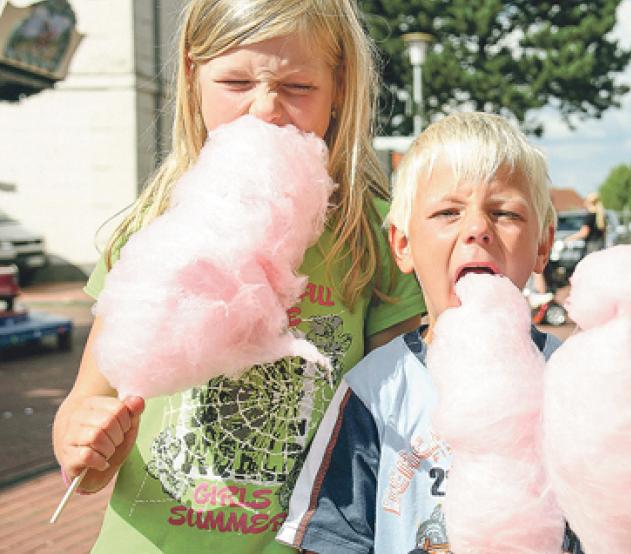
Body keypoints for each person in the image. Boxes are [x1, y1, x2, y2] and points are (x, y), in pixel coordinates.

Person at [51, 1, 425, 551]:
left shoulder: (373, 238)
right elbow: (88, 397)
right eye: (235, 81)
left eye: (297, 87)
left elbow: (397, 420)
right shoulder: (155, 225)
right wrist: (83, 441)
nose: (265, 109)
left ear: (340, 87)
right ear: (191, 76)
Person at [276, 112, 572, 552]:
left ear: (543, 246)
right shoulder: (376, 391)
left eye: (505, 212)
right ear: (402, 245)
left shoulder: (573, 380)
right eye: (448, 212)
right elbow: (335, 538)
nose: (477, 230)